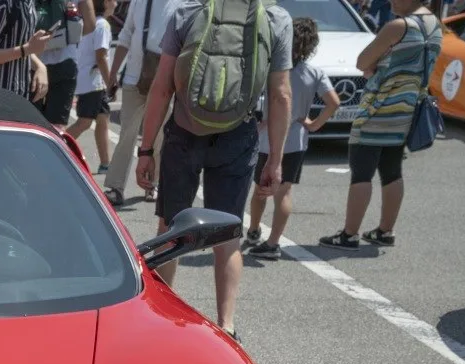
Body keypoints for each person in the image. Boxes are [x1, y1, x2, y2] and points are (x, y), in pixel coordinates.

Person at [136, 0, 293, 339]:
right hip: (238, 136)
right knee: (228, 237)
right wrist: (275, 159)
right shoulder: (275, 18)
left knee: (170, 228)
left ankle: (161, 318)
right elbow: (280, 95)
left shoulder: (185, 11)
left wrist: (146, 149)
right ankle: (226, 326)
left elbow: (162, 87)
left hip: (184, 132)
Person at [319, 0, 440, 248]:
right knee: (392, 170)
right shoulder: (435, 25)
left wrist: (374, 66)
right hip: (407, 109)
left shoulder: (399, 26)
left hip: (378, 108)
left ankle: (349, 234)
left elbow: (362, 61)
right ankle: (386, 231)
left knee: (361, 171)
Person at [244, 18, 338, 259]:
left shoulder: (273, 69)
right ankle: (273, 242)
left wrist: (261, 121)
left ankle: (253, 229)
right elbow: (333, 102)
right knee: (284, 192)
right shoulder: (314, 73)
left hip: (268, 138)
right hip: (296, 139)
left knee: (260, 189)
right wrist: (314, 124)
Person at [104, 0, 175, 205]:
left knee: (160, 136)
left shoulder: (183, 4)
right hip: (134, 79)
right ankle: (116, 186)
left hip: (165, 82)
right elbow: (126, 35)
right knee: (127, 134)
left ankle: (153, 184)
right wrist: (113, 73)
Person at [0, 0, 52, 101]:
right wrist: (27, 49)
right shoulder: (3, 4)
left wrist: (40, 67)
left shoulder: (29, 3)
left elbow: (21, 46)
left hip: (19, 94)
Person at [36, 0, 97, 126]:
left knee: (29, 121)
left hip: (34, 60)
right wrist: (67, 36)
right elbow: (90, 24)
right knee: (57, 125)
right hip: (66, 60)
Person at [68, 0, 113, 170]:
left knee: (103, 120)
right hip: (93, 83)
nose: (116, 4)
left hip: (91, 81)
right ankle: (57, 145)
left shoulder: (94, 23)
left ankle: (105, 162)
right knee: (85, 122)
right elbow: (101, 57)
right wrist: (111, 83)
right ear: (106, 3)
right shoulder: (103, 25)